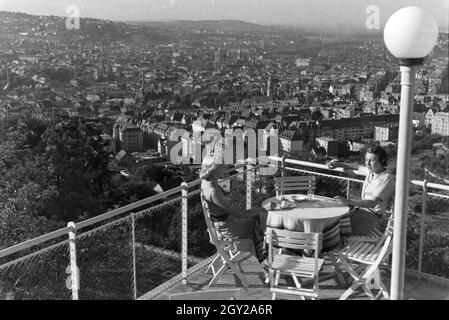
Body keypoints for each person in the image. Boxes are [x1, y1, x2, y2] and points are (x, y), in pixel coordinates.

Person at [200, 153, 268, 263]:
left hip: (220, 225)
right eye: (223, 166)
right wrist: (260, 210)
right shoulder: (213, 192)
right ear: (214, 169)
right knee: (260, 223)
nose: (226, 168)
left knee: (258, 220)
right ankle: (264, 257)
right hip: (226, 228)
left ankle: (262, 254)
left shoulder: (205, 183)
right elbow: (238, 214)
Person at [327, 146, 394, 236]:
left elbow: (372, 203)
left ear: (382, 161)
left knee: (330, 224)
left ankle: (319, 246)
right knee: (329, 213)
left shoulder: (386, 179)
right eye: (366, 160)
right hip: (359, 213)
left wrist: (347, 201)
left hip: (367, 220)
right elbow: (357, 166)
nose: (368, 164)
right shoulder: (372, 172)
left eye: (372, 160)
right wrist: (338, 164)